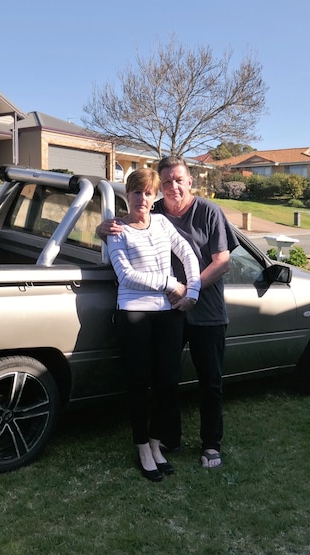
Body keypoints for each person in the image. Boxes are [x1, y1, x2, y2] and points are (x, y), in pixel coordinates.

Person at [100, 156, 239, 469]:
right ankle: (168, 439)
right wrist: (103, 228)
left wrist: (189, 292)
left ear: (190, 180)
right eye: (166, 182)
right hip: (166, 310)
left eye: (179, 179)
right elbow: (128, 228)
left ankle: (211, 445)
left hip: (205, 310)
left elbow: (222, 261)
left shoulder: (209, 211)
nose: (172, 186)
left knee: (210, 381)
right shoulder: (156, 211)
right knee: (166, 379)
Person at [106, 168, 200, 482]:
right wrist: (171, 284)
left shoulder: (161, 222)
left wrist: (194, 290)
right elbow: (126, 274)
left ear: (154, 196)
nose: (143, 199)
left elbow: (187, 252)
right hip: (134, 312)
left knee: (167, 382)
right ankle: (143, 447)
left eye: (149, 193)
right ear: (127, 194)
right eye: (137, 192)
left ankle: (157, 443)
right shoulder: (117, 230)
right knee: (138, 383)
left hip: (169, 314)